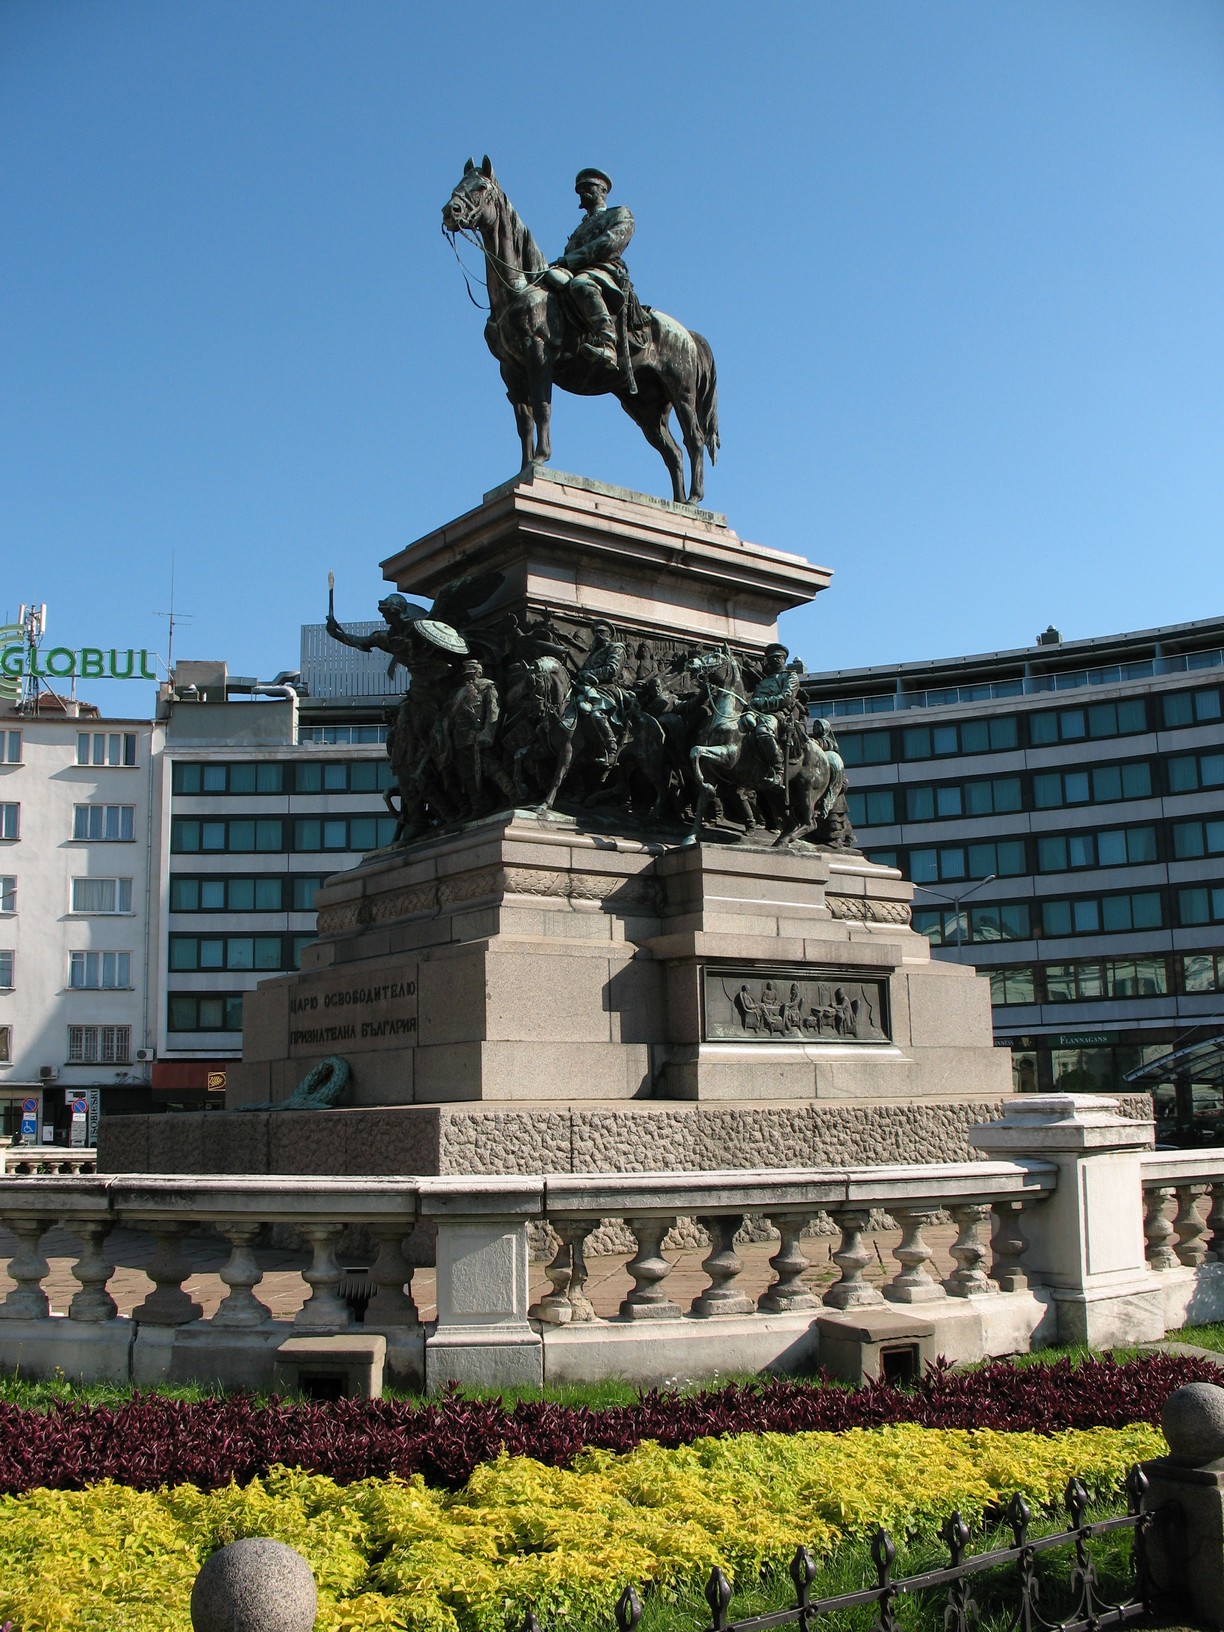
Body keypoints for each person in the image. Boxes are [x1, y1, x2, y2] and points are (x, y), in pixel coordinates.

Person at [542, 168, 636, 370]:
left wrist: (570, 260)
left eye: (588, 187)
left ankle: (607, 342)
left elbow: (608, 243)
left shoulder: (619, 213)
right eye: (579, 189)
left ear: (602, 190)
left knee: (581, 284)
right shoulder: (580, 228)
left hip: (604, 269)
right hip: (574, 269)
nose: (582, 192)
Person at [742, 643, 804, 787]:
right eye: (771, 658)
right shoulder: (764, 681)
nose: (774, 660)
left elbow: (786, 698)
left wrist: (760, 703)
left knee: (763, 730)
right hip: (756, 712)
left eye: (778, 657)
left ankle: (778, 770)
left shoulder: (790, 676)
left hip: (777, 714)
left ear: (784, 659)